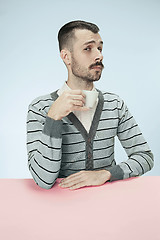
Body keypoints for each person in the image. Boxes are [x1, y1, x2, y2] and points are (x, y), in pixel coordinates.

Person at [26, 20, 154, 190]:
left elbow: (144, 156)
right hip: (60, 207)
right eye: (88, 48)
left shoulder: (114, 104)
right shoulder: (40, 107)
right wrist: (54, 117)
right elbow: (43, 179)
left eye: (100, 48)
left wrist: (106, 173)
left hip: (108, 205)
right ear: (66, 57)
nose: (99, 55)